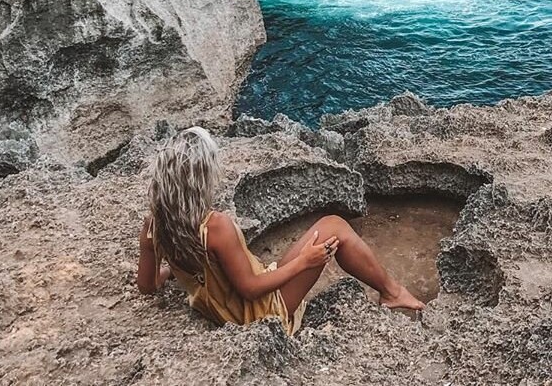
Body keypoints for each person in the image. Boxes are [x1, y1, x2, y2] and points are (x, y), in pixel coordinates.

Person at [136, 126, 424, 334]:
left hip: (216, 308)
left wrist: (173, 270)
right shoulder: (216, 226)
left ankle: (392, 291)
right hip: (256, 315)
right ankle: (392, 292)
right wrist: (304, 262)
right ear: (201, 179)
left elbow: (147, 286)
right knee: (334, 226)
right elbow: (250, 290)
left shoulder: (155, 224)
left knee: (323, 231)